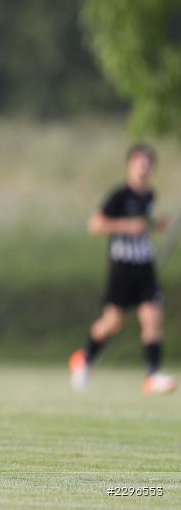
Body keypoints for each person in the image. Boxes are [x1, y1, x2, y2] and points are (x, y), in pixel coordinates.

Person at [69, 143, 177, 395]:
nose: (143, 168)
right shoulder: (119, 196)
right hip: (123, 267)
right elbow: (96, 225)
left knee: (152, 316)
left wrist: (156, 225)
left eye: (148, 164)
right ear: (130, 165)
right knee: (112, 322)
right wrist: (128, 227)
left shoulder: (149, 195)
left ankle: (153, 374)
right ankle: (84, 359)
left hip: (144, 265)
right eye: (140, 163)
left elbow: (143, 225)